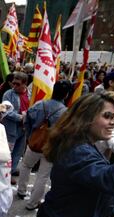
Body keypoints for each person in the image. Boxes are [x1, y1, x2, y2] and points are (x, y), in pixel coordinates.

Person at [16, 80, 71, 209]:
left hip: (34, 143)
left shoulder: (39, 104)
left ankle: (21, 191)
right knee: (43, 175)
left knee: (26, 166)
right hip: (51, 148)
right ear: (66, 94)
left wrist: (30, 137)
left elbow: (27, 121)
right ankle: (32, 203)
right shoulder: (66, 113)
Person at [2, 71, 31, 183]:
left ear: (25, 84)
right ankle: (5, 174)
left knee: (18, 152)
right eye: (13, 83)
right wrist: (21, 117)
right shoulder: (8, 94)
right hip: (11, 129)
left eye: (18, 84)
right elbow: (6, 112)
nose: (14, 86)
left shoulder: (30, 94)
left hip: (24, 129)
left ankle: (11, 171)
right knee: (8, 153)